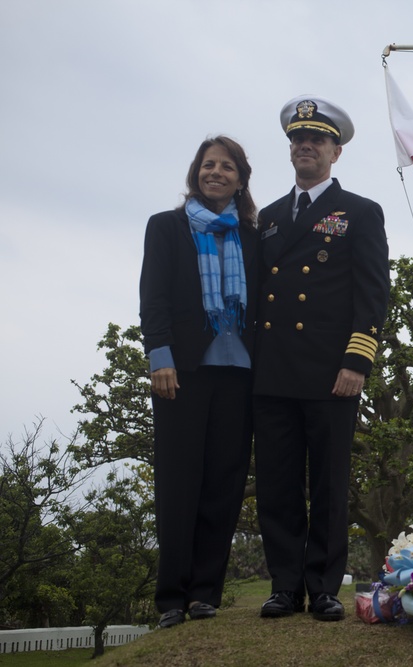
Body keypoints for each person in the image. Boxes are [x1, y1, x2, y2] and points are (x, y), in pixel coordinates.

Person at [253, 95, 390, 621]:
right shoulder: (266, 219)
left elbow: (373, 293)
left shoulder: (359, 211)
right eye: (297, 139)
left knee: (329, 483)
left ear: (336, 152)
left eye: (317, 140)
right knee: (277, 483)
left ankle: (324, 586)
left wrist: (358, 362)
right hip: (273, 371)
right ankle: (285, 586)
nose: (305, 146)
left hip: (333, 372)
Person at [139, 136, 257, 629]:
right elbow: (154, 295)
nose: (216, 172)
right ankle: (171, 598)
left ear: (240, 177)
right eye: (208, 165)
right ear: (195, 172)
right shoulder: (166, 227)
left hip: (240, 374)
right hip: (181, 373)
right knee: (178, 482)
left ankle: (206, 592)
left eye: (226, 166)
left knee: (224, 484)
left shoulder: (253, 234)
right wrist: (158, 357)